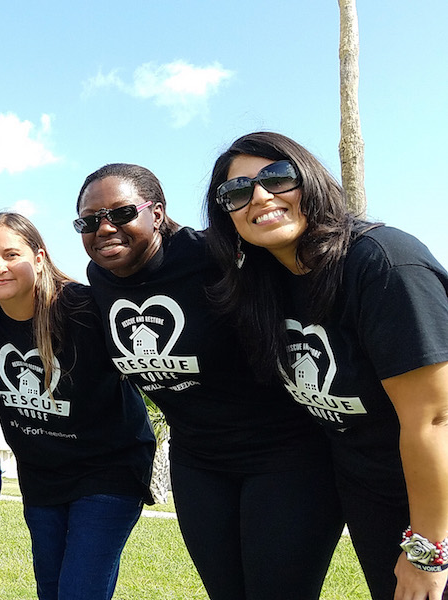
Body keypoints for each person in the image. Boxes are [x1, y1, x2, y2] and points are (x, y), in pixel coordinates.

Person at [75, 163, 341, 599]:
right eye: (89, 221)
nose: (104, 229)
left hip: (285, 454)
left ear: (157, 214)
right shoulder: (100, 279)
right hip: (198, 462)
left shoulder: (217, 255)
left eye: (121, 214)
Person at [204, 131, 448, 600]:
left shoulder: (384, 265)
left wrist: (428, 549)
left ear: (311, 180)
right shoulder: (267, 286)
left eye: (277, 178)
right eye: (236, 192)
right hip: (370, 488)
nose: (259, 196)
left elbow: (434, 419)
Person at [0, 212, 154, 600]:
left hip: (108, 468)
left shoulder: (85, 309)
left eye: (10, 254)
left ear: (39, 258)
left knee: (79, 591)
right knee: (51, 590)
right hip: (42, 476)